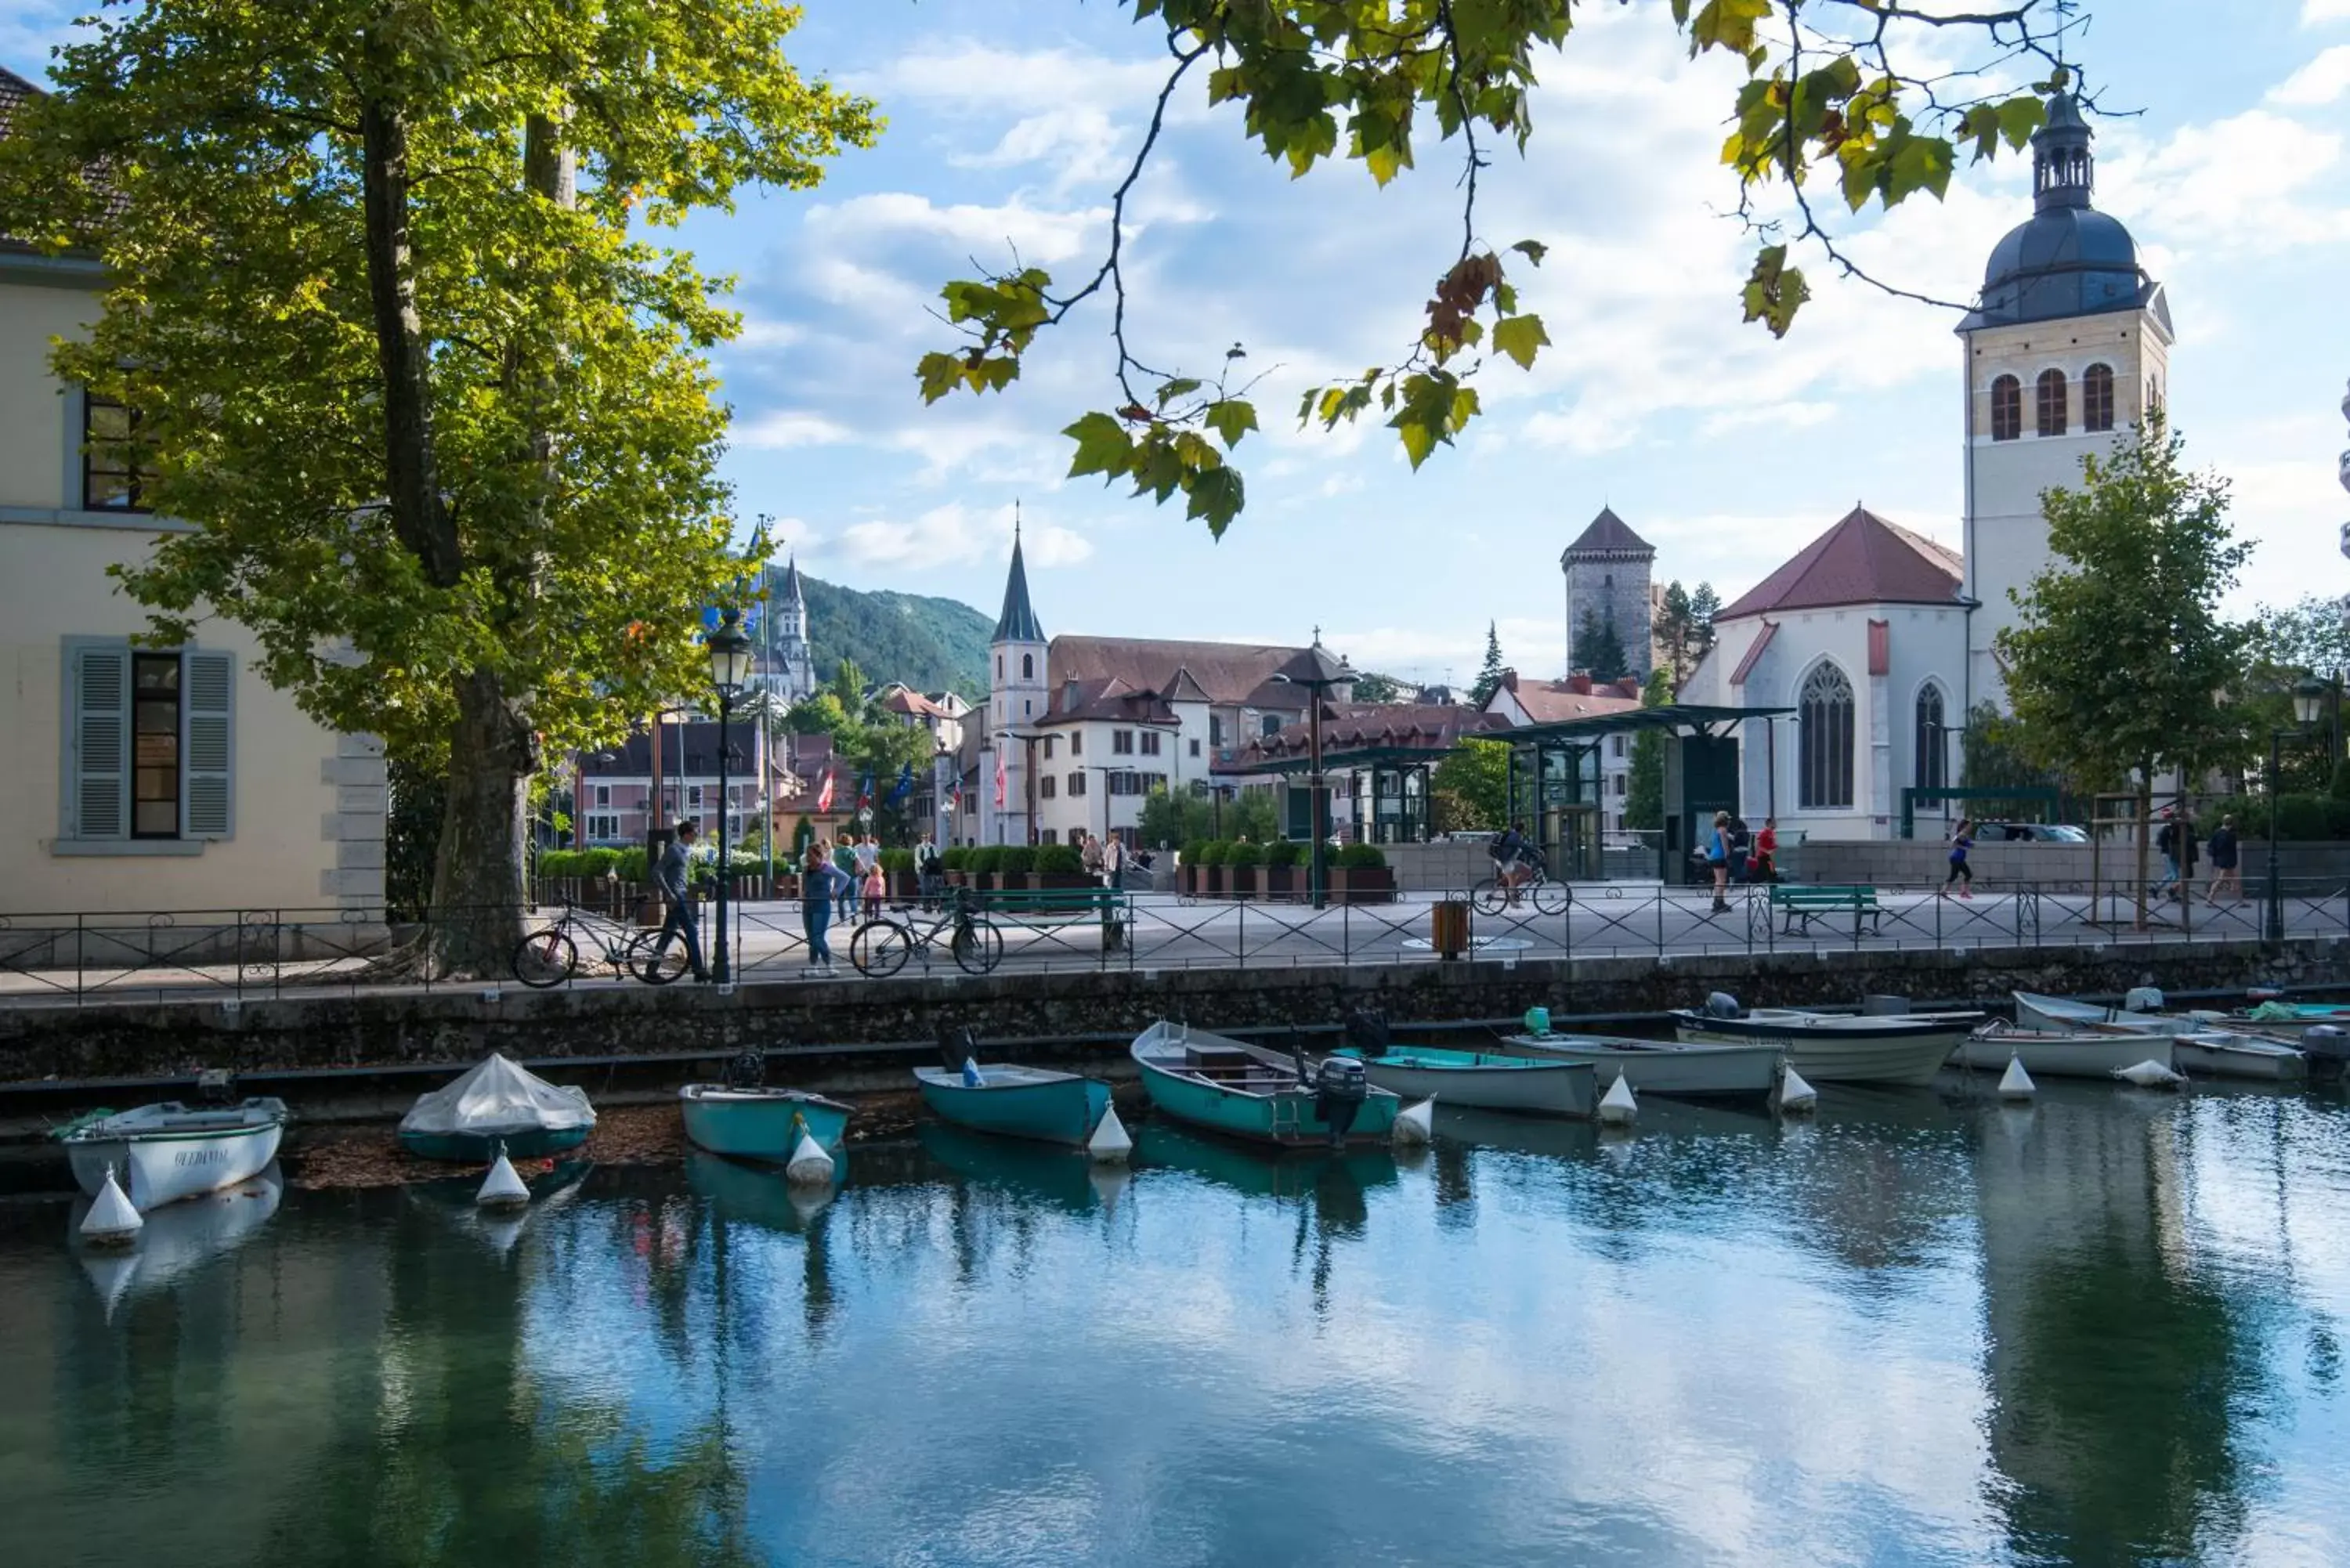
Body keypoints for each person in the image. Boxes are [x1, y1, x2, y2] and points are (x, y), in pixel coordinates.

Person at [653, 821, 709, 982]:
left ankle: (651, 969)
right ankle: (699, 970)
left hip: (679, 895)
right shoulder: (674, 850)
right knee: (691, 931)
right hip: (677, 898)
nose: (697, 836)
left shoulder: (685, 851)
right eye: (695, 833)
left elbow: (678, 875)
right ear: (686, 834)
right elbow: (657, 871)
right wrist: (669, 894)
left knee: (667, 934)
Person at [801, 840, 842, 976]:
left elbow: (845, 878)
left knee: (818, 938)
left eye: (811, 855)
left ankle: (829, 965)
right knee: (811, 939)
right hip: (807, 906)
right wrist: (802, 894)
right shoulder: (806, 869)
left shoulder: (826, 867)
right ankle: (813, 967)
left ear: (819, 856)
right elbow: (805, 886)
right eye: (807, 855)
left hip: (822, 905)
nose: (808, 858)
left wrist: (836, 890)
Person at [1490, 819, 1531, 905]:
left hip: (1507, 860)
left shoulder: (1513, 834)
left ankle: (1507, 887)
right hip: (1505, 861)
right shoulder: (1515, 836)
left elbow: (1520, 846)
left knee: (1526, 871)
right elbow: (1522, 845)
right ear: (1522, 830)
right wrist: (1535, 851)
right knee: (1514, 879)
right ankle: (1513, 901)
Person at [2207, 815, 2241, 905]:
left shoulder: (2218, 833)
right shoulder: (2229, 834)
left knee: (2234, 879)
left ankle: (2240, 900)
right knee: (2222, 879)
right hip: (2226, 860)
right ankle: (2210, 898)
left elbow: (2212, 846)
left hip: (2223, 859)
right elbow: (2229, 849)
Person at [1705, 811, 1731, 914]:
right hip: (1720, 856)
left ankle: (1717, 901)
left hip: (1714, 856)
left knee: (1718, 880)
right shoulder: (1723, 830)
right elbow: (1725, 845)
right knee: (1722, 881)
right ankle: (1720, 902)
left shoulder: (1716, 830)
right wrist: (1728, 855)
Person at [1942, 818, 1975, 899]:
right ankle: (1946, 892)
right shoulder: (1962, 834)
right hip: (1957, 858)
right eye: (1969, 825)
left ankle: (1960, 892)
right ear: (1965, 826)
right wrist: (1964, 847)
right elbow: (1953, 843)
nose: (1971, 827)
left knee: (1963, 875)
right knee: (1963, 875)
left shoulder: (1964, 834)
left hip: (1959, 858)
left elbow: (1967, 844)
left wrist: (1970, 845)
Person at [917, 833, 945, 911]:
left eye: (927, 838)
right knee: (927, 889)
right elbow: (917, 858)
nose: (926, 839)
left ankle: (937, 904)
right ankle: (928, 905)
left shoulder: (933, 847)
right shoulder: (919, 847)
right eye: (924, 838)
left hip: (933, 871)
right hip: (925, 871)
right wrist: (922, 866)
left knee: (935, 888)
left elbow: (937, 856)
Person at [1727, 815, 1753, 885]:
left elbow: (1735, 840)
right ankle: (1743, 879)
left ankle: (1738, 880)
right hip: (1745, 850)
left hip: (1737, 851)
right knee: (1743, 866)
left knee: (1737, 866)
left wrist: (1728, 835)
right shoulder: (1747, 833)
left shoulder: (1738, 833)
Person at [860, 855, 887, 920]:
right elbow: (883, 887)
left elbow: (866, 887)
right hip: (879, 895)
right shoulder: (881, 878)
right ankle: (877, 917)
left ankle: (870, 916)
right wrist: (884, 894)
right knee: (878, 907)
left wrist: (864, 894)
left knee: (870, 906)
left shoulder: (869, 878)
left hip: (871, 895)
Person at [1754, 818, 1779, 884]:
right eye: (1774, 823)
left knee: (1771, 872)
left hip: (1769, 855)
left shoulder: (1772, 833)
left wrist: (1775, 847)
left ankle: (1772, 882)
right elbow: (1758, 844)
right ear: (1769, 824)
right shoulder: (1763, 833)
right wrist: (1767, 851)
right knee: (1765, 872)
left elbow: (1772, 843)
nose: (1776, 825)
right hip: (1762, 855)